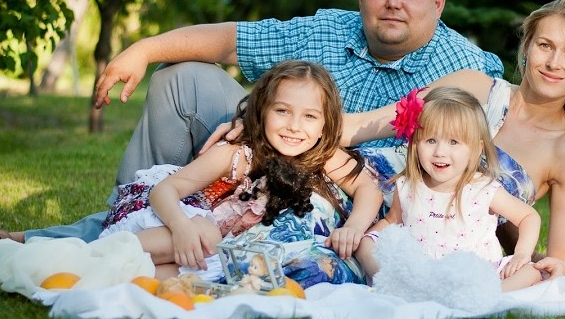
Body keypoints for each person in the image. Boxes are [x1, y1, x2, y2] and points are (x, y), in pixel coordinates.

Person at [0, 0, 503, 266]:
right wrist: (144, 49)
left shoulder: (464, 62)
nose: (393, 3)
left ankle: (52, 243)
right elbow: (231, 40)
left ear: (437, 3)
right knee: (182, 77)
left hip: (332, 196)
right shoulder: (330, 29)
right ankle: (134, 219)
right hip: (266, 153)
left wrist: (275, 126)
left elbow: (471, 118)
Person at [343, 0, 565, 278]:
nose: (554, 63)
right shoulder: (474, 86)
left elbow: (559, 262)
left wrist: (521, 262)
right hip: (359, 196)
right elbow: (365, 124)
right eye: (545, 45)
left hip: (426, 250)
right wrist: (316, 130)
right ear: (527, 47)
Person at [93, 60, 384, 286]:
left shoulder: (322, 156)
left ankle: (101, 273)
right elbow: (164, 191)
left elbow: (368, 189)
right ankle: (95, 255)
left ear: (324, 125)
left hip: (214, 253)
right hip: (173, 216)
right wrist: (181, 226)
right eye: (282, 111)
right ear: (261, 111)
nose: (294, 126)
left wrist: (354, 227)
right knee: (206, 237)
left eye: (309, 116)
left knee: (184, 278)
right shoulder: (238, 154)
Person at [354, 87, 543, 291]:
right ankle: (395, 284)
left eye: (454, 142)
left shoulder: (482, 189)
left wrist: (522, 253)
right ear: (415, 144)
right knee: (365, 245)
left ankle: (490, 296)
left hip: (477, 274)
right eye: (431, 140)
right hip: (423, 273)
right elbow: (392, 220)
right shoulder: (408, 187)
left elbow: (528, 217)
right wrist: (365, 239)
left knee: (531, 272)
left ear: (476, 149)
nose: (440, 152)